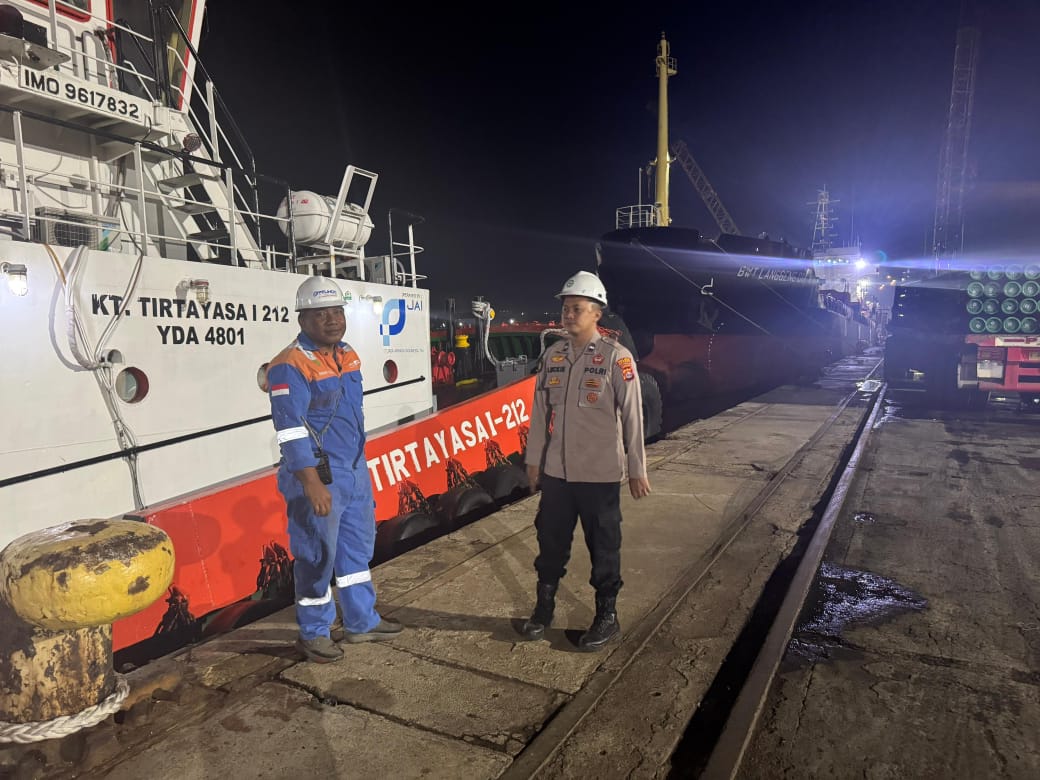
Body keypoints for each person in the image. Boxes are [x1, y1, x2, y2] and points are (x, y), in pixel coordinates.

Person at [267, 276, 403, 663]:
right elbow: (289, 429)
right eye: (321, 314)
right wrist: (311, 482)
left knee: (356, 548)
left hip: (354, 469)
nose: (332, 320)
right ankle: (314, 632)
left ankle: (362, 621)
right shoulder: (289, 365)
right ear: (303, 319)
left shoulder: (347, 354)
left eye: (337, 312)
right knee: (316, 554)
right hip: (317, 474)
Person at [521, 270, 652, 651]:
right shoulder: (553, 356)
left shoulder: (616, 358)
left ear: (597, 312)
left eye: (576, 308)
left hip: (599, 475)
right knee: (550, 543)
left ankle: (607, 617)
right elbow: (540, 414)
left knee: (604, 547)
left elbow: (633, 416)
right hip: (557, 474)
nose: (568, 315)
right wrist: (534, 461)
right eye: (565, 308)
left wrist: (637, 469)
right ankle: (543, 609)